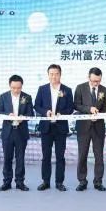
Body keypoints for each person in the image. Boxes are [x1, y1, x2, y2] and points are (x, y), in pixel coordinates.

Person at [34, 64, 74, 192]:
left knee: (60, 157)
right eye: (51, 74)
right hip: (46, 128)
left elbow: (71, 108)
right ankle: (45, 182)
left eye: (56, 74)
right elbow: (37, 105)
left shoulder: (67, 90)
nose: (54, 76)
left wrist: (62, 114)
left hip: (60, 128)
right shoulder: (42, 89)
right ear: (48, 75)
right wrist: (45, 112)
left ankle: (59, 182)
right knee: (46, 156)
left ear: (60, 74)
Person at [73, 67, 106, 191]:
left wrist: (104, 111)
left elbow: (105, 108)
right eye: (94, 81)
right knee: (82, 155)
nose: (96, 83)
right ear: (88, 77)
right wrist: (89, 109)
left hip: (98, 127)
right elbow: (76, 105)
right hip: (83, 127)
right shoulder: (80, 88)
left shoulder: (105, 90)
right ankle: (82, 181)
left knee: (99, 156)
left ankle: (98, 182)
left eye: (98, 81)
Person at [0, 75, 34, 191]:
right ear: (9, 86)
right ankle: (6, 182)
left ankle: (20, 182)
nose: (16, 90)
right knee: (7, 158)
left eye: (18, 88)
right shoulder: (3, 96)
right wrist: (8, 115)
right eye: (13, 88)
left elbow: (31, 114)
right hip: (8, 132)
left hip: (21, 132)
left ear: (22, 86)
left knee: (20, 158)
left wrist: (24, 117)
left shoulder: (27, 97)